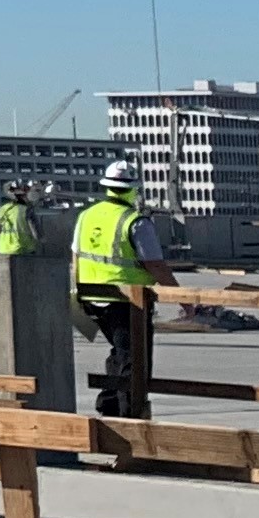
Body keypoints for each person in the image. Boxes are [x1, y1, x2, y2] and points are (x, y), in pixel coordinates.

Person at [71, 159, 174, 416]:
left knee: (120, 352)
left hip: (91, 298)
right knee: (134, 360)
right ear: (133, 189)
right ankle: (129, 418)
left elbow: (75, 258)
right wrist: (182, 297)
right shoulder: (135, 221)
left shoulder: (85, 216)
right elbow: (155, 264)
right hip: (128, 301)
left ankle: (109, 405)